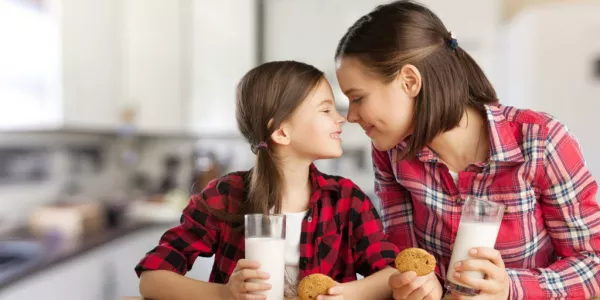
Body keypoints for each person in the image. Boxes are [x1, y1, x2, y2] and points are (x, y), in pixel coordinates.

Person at [334, 1, 600, 299]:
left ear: (409, 81)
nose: (351, 116)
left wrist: (510, 289)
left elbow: (594, 264)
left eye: (357, 98)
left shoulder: (540, 141)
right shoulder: (391, 154)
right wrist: (421, 283)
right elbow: (406, 258)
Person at [135, 61, 399, 300]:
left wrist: (344, 295)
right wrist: (225, 294)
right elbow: (152, 279)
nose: (341, 118)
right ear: (282, 132)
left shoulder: (346, 200)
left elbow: (391, 274)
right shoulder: (226, 195)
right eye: (326, 109)